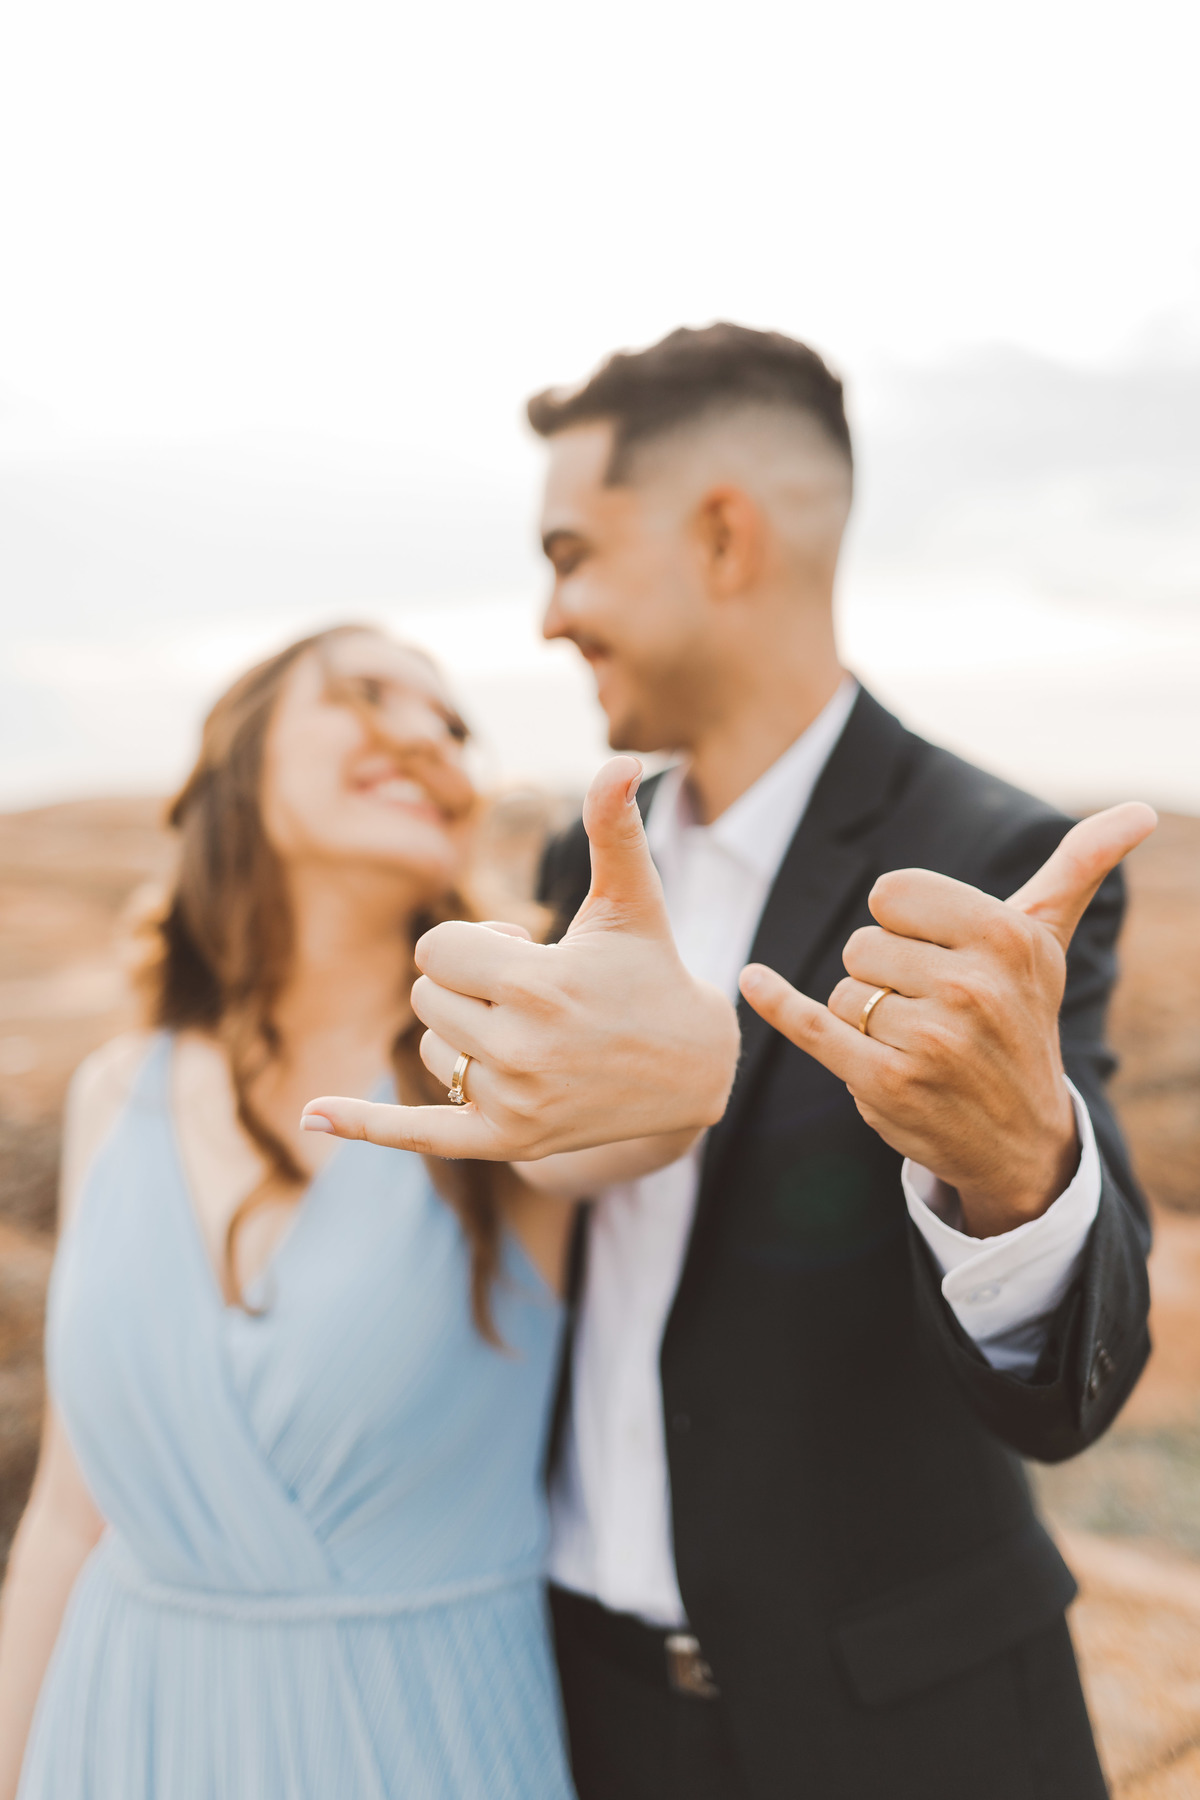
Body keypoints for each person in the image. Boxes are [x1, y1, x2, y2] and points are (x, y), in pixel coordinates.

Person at [314, 327, 1155, 1800]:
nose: (552, 613)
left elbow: (1067, 1392)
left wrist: (1021, 1164)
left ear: (721, 535)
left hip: (896, 1733)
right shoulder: (579, 852)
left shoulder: (987, 861)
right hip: (575, 1703)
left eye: (572, 553)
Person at [0, 624, 739, 1800]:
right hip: (116, 1726)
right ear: (240, 763)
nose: (423, 735)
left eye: (451, 724)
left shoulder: (495, 1071)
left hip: (417, 1743)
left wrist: (694, 1061)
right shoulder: (116, 1089)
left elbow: (619, 1131)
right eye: (365, 695)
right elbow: (65, 1521)